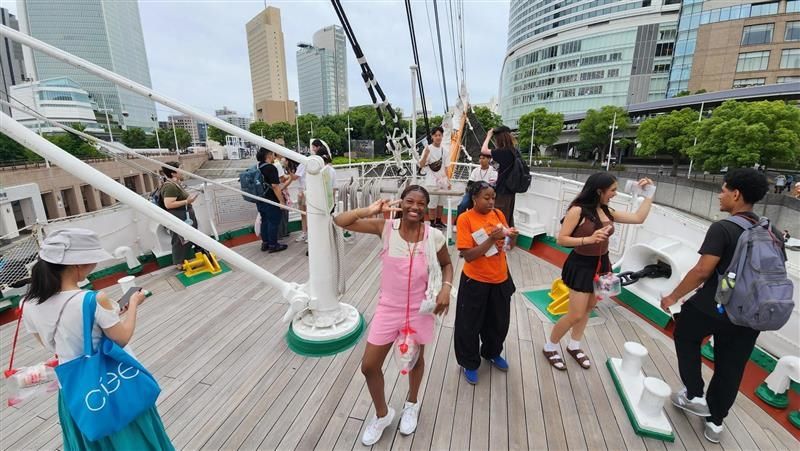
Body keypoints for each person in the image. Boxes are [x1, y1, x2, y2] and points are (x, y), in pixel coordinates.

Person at [21, 228, 173, 450]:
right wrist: (133, 305)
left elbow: (50, 344)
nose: (94, 265)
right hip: (111, 385)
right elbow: (121, 338)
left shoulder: (27, 305)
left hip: (75, 390)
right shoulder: (92, 299)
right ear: (77, 265)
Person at [660, 169, 782, 444]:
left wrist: (673, 296)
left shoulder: (723, 228)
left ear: (736, 194)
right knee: (732, 366)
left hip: (716, 305)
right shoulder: (772, 230)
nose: (720, 195)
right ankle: (715, 422)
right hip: (752, 313)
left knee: (685, 335)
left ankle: (694, 394)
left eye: (723, 190)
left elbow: (703, 271)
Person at [333, 185, 454, 445]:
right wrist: (370, 209)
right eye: (409, 201)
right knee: (369, 366)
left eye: (421, 204)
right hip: (388, 309)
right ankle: (382, 414)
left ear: (427, 207)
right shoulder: (385, 228)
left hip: (420, 309)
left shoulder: (433, 236)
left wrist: (446, 289)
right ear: (401, 203)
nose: (415, 207)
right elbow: (340, 221)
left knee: (415, 359)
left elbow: (447, 264)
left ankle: (412, 403)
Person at [543, 174, 655, 371]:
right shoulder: (577, 210)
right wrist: (589, 239)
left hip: (604, 264)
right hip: (582, 265)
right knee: (575, 314)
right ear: (599, 191)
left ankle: (574, 345)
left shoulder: (606, 211)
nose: (615, 193)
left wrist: (649, 194)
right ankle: (550, 346)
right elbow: (562, 240)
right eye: (612, 190)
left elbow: (638, 218)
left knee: (590, 307)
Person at [454, 181, 518, 384]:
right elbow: (468, 255)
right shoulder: (465, 219)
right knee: (469, 324)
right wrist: (491, 239)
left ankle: (491, 352)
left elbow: (508, 244)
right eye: (486, 198)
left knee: (499, 322)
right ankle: (469, 362)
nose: (491, 202)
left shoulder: (498, 215)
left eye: (493, 197)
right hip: (475, 280)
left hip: (500, 278)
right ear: (474, 198)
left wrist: (511, 237)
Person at [160, 162, 199, 270]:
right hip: (179, 216)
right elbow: (168, 204)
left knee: (186, 237)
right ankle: (179, 263)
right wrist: (187, 201)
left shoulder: (175, 184)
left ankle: (182, 260)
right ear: (173, 173)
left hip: (184, 215)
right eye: (179, 169)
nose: (182, 171)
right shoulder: (170, 186)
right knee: (179, 239)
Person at [480, 126, 519, 227]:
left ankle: (501, 240)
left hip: (503, 190)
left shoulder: (503, 152)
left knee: (500, 217)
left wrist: (488, 136)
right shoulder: (514, 151)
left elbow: (484, 150)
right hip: (511, 189)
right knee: (508, 216)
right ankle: (509, 240)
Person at [292, 140, 325, 242]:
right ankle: (306, 233)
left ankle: (307, 233)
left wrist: (288, 171)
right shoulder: (314, 163)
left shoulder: (303, 164)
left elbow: (295, 177)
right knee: (306, 213)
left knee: (305, 214)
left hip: (304, 192)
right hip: (308, 192)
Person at [418, 126, 451, 229]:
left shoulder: (444, 151)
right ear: (432, 136)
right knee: (432, 204)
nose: (438, 137)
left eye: (440, 135)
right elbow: (421, 165)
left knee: (441, 204)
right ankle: (432, 223)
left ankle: (439, 221)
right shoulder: (428, 149)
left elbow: (446, 168)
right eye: (436, 135)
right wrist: (425, 154)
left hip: (442, 181)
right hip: (431, 182)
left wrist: (448, 181)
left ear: (442, 136)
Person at [256, 148, 287, 253]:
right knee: (273, 221)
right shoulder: (271, 168)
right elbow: (275, 186)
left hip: (260, 199)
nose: (274, 156)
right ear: (268, 155)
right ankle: (273, 245)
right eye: (273, 154)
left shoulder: (258, 166)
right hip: (270, 199)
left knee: (264, 220)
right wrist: (281, 201)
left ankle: (265, 243)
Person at [456, 154, 498, 218]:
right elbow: (470, 183)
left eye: (483, 158)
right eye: (480, 158)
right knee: (462, 205)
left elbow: (492, 186)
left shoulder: (493, 171)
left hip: (486, 194)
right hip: (473, 193)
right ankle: (458, 221)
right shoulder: (475, 170)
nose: (481, 160)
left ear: (489, 159)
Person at [274, 156, 293, 239]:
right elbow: (282, 178)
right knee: (283, 212)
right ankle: (283, 232)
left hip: (277, 190)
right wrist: (291, 177)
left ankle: (282, 232)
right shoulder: (277, 164)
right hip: (281, 190)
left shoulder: (274, 163)